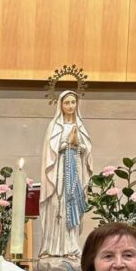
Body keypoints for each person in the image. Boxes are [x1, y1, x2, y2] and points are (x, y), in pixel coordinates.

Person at [38, 89, 94, 259]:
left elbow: (87, 151)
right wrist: (66, 143)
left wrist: (77, 144)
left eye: (73, 102)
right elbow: (50, 152)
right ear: (61, 105)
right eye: (67, 103)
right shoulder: (55, 126)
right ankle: (51, 247)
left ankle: (71, 247)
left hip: (75, 172)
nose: (70, 106)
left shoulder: (80, 126)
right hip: (59, 174)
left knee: (73, 205)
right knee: (57, 205)